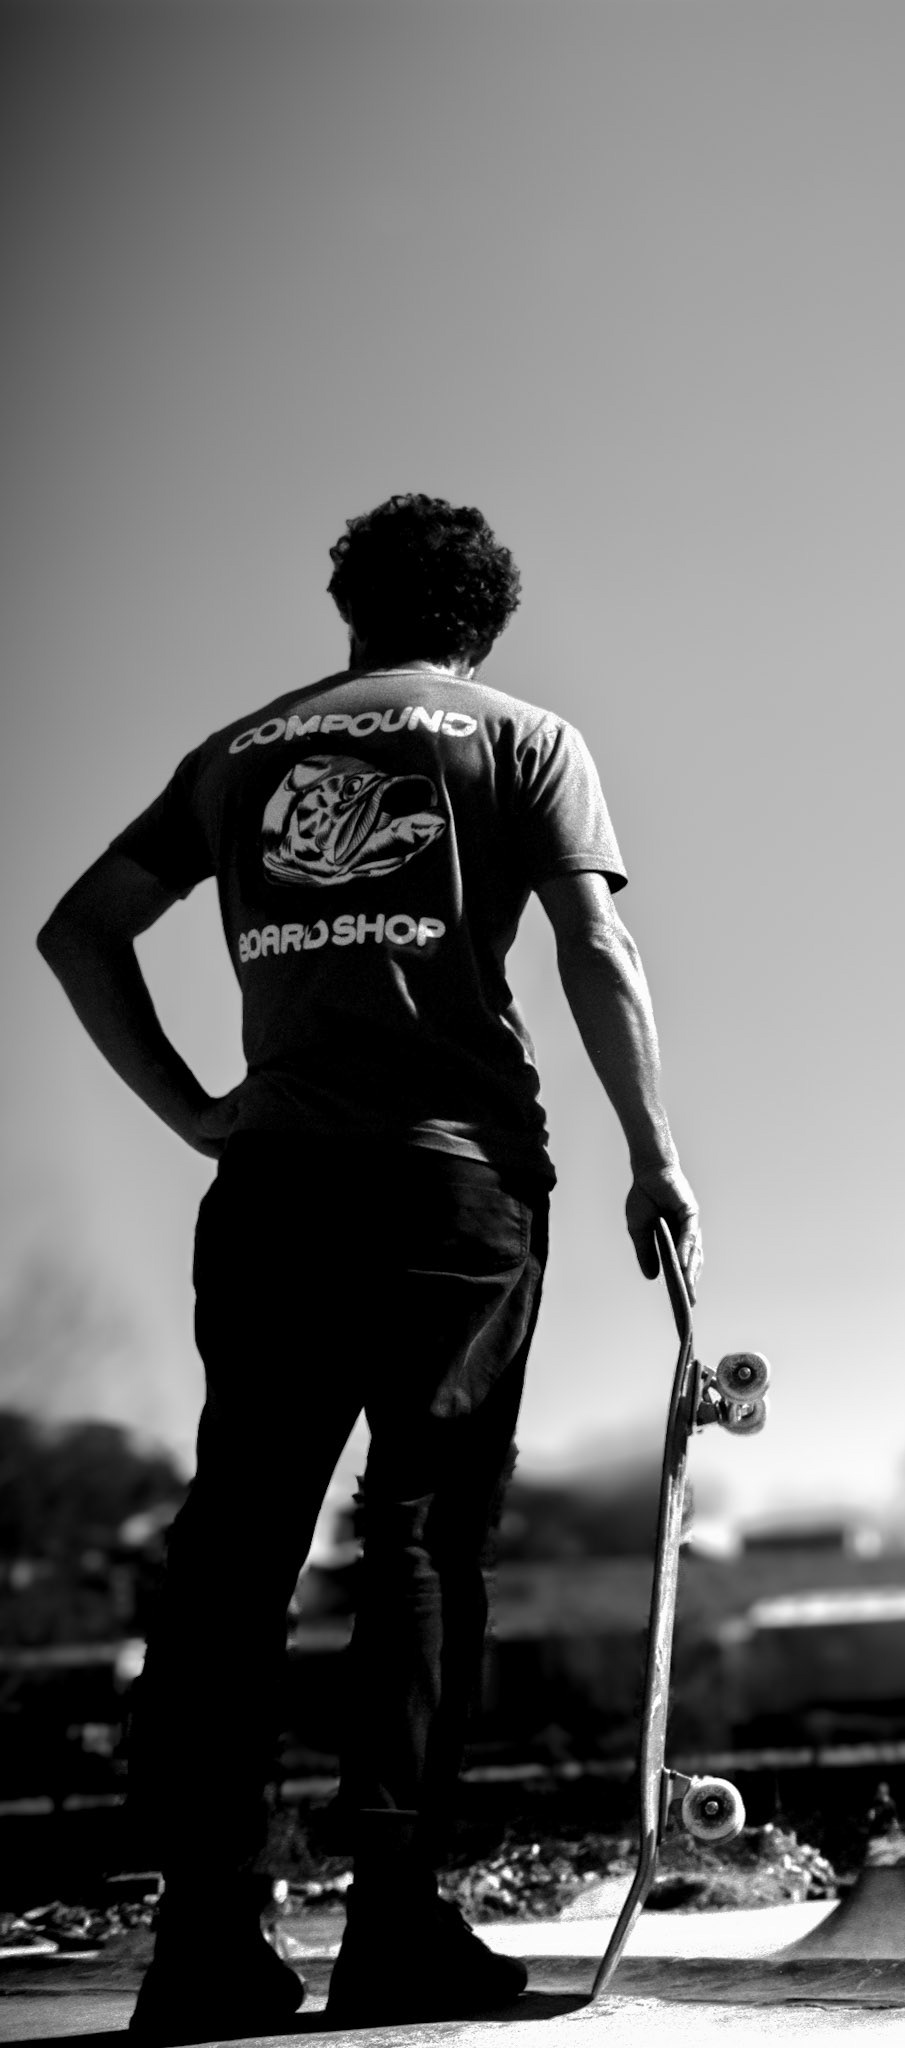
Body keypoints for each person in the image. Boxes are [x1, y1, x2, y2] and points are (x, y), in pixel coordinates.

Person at [37, 494, 701, 2037]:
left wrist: (200, 1108)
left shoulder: (237, 754)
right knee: (417, 1537)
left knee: (235, 1547)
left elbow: (79, 932)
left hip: (270, 1192)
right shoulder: (521, 737)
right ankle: (395, 1914)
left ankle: (203, 1938)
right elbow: (595, 949)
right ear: (480, 622)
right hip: (449, 1190)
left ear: (351, 612)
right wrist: (652, 1150)